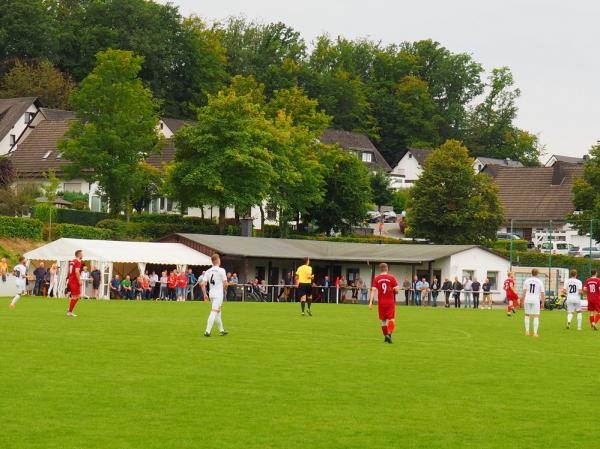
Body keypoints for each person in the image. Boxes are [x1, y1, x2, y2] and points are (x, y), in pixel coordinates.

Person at [369, 262, 400, 344]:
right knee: (392, 319)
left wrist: (370, 302)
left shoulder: (376, 278)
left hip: (381, 302)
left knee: (383, 321)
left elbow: (373, 290)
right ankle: (389, 334)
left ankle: (386, 337)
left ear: (380, 269)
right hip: (390, 301)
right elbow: (397, 290)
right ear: (387, 268)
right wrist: (394, 291)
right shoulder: (391, 277)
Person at [202, 253, 228, 337]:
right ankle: (207, 331)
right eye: (219, 259)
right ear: (217, 260)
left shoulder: (208, 271)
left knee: (218, 312)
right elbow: (225, 283)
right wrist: (224, 290)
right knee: (214, 312)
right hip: (218, 294)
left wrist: (205, 294)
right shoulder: (221, 270)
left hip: (211, 293)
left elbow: (202, 284)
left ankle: (222, 330)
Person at [522, 268, 545, 337]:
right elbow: (542, 293)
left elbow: (524, 292)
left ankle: (527, 332)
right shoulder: (540, 281)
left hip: (527, 299)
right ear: (537, 274)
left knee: (527, 315)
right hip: (535, 300)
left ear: (531, 273)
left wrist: (522, 301)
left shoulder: (527, 280)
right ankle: (535, 333)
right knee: (536, 316)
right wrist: (543, 303)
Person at [66, 250, 84, 316]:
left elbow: (70, 271)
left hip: (71, 279)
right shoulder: (78, 261)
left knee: (78, 296)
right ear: (79, 255)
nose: (83, 255)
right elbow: (77, 272)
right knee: (75, 296)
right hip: (74, 280)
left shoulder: (72, 261)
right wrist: (79, 280)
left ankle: (70, 309)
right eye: (82, 254)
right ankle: (70, 312)